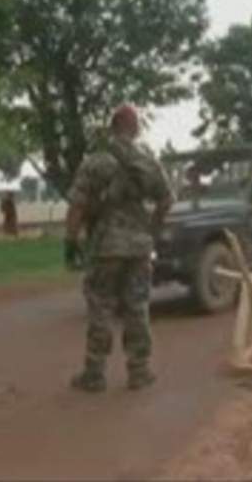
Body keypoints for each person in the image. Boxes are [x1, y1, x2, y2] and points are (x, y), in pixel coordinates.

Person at [63, 104, 174, 392]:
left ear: (112, 127)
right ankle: (139, 371)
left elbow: (78, 204)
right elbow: (166, 200)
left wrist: (71, 241)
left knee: (101, 307)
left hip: (106, 247)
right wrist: (152, 229)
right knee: (137, 307)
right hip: (139, 248)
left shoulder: (96, 163)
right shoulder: (148, 162)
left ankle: (94, 374)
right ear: (135, 128)